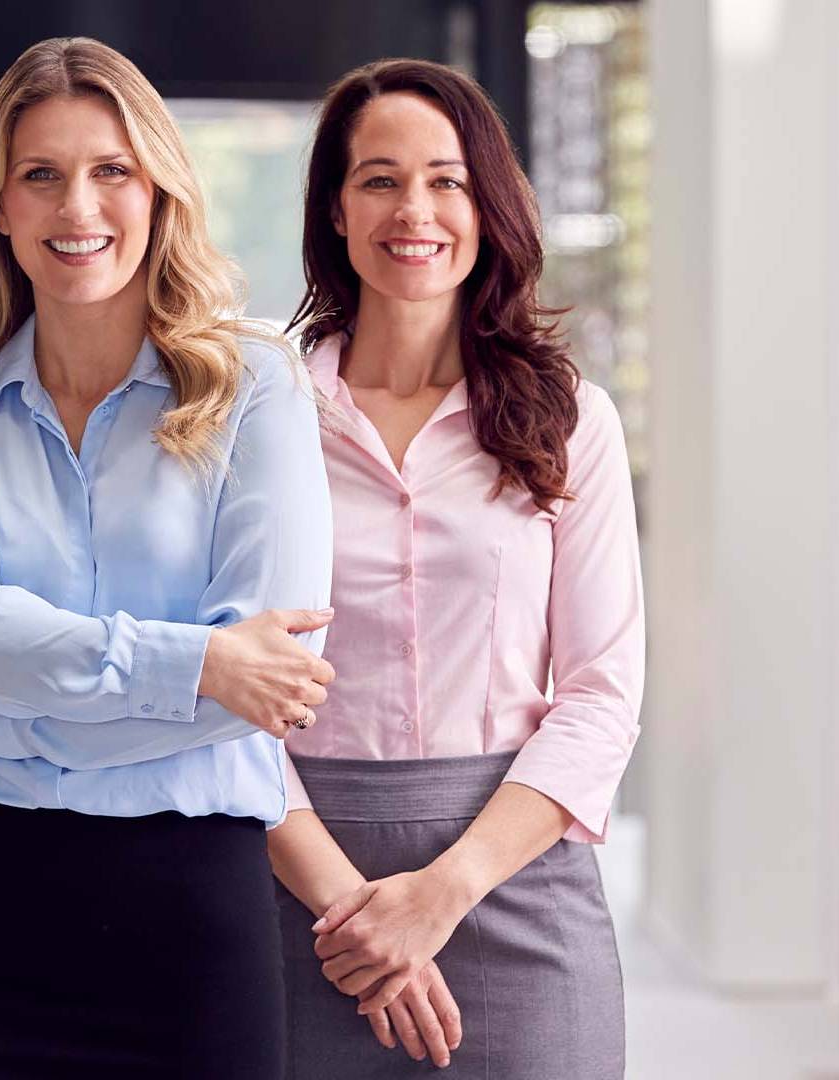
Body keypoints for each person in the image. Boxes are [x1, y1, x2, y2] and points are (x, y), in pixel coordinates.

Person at [0, 36, 335, 1080]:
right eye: (42, 176)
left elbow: (269, 682)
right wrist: (198, 663)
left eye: (111, 171)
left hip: (188, 909)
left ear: (160, 192)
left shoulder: (257, 388)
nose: (79, 208)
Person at [266, 58, 643, 1078]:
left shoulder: (570, 421)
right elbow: (229, 697)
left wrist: (442, 892)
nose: (414, 210)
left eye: (447, 180)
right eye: (379, 180)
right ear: (335, 212)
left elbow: (603, 695)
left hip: (513, 872)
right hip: (301, 883)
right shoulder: (261, 422)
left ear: (488, 207)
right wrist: (355, 910)